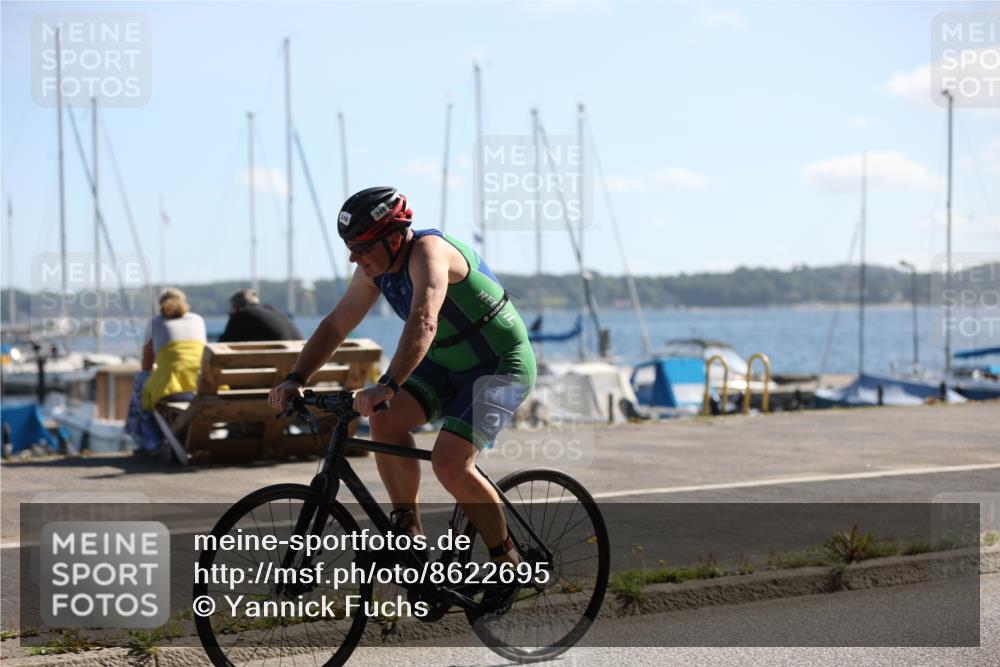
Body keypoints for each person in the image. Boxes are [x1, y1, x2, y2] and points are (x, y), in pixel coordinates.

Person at [268, 187, 536, 614]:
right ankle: (408, 536)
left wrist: (388, 385)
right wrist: (297, 377)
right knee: (385, 423)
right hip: (446, 364)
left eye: (361, 247)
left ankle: (507, 559)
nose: (354, 259)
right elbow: (337, 324)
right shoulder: (375, 268)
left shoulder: (430, 252)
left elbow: (424, 319)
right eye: (349, 249)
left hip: (499, 364)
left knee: (450, 462)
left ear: (394, 237)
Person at [126, 288, 207, 452]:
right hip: (202, 385)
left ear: (161, 305)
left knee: (142, 382)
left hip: (172, 386)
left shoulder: (155, 322)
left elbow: (146, 366)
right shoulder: (197, 319)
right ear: (184, 302)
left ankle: (149, 441)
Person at [218, 289, 303, 343]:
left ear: (235, 308)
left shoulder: (240, 315)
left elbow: (222, 345)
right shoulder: (277, 314)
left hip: (278, 368)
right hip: (298, 367)